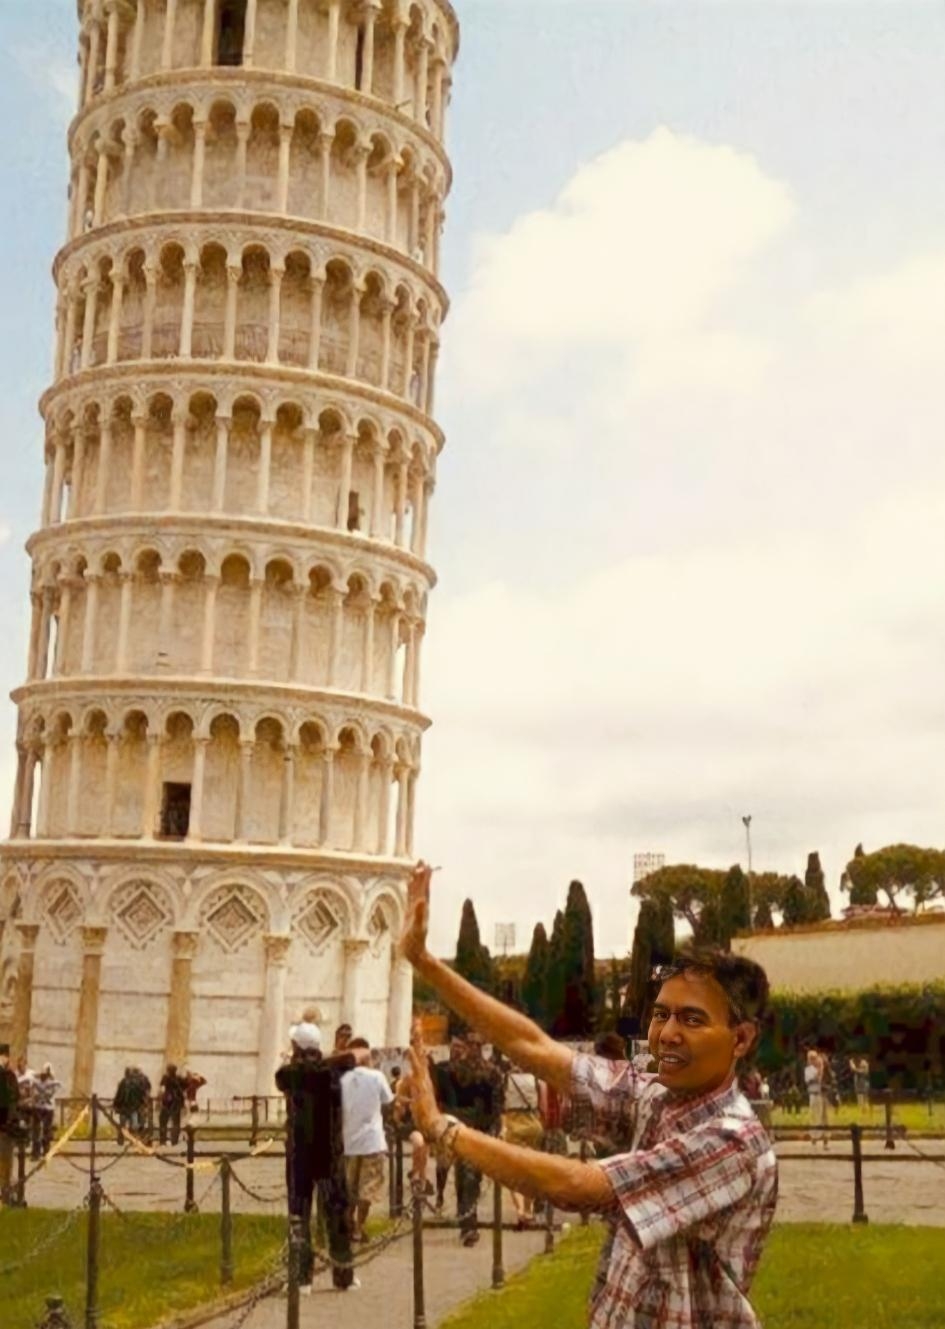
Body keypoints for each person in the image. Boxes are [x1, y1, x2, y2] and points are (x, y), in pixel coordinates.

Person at [401, 862, 777, 1328]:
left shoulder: (732, 1140)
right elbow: (533, 1046)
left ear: (740, 1039)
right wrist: (425, 962)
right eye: (662, 1015)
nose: (667, 1033)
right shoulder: (658, 1094)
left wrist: (444, 1129)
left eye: (692, 1020)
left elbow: (576, 1186)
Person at [276, 1021, 368, 1293]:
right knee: (337, 1216)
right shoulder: (334, 1071)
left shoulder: (291, 1073)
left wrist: (313, 1060)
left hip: (302, 1154)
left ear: (297, 1047)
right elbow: (355, 1057)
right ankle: (344, 1276)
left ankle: (302, 1279)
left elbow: (284, 1075)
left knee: (300, 1216)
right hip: (329, 1153)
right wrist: (324, 1059)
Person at [436, 1028, 504, 1246]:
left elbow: (497, 1106)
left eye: (477, 1045)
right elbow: (446, 1100)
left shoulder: (491, 1072)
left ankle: (467, 1222)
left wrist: (494, 1132)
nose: (474, 1049)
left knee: (470, 1177)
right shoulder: (455, 1071)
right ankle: (467, 1223)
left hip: (479, 1131)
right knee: (465, 1176)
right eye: (471, 1044)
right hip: (460, 1129)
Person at [341, 1037, 394, 1243]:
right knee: (368, 1188)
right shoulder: (377, 1077)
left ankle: (347, 1224)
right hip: (372, 1140)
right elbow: (388, 1101)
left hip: (349, 1141)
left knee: (350, 1187)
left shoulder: (342, 1079)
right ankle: (359, 1227)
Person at [0, 1043, 20, 1205]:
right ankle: (5, 1195)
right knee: (5, 1164)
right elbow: (12, 1099)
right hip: (4, 1128)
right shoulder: (8, 1076)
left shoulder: (9, 1075)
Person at [30, 1063, 61, 1160]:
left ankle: (46, 1152)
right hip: (39, 1107)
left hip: (48, 1108)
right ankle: (36, 1153)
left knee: (46, 1131)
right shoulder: (36, 1081)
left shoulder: (53, 1083)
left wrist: (41, 1094)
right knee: (37, 1131)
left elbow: (51, 1093)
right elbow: (34, 1093)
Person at [114, 1066, 152, 1143]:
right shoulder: (134, 1082)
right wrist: (142, 1102)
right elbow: (140, 1093)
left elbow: (119, 1094)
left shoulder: (124, 1082)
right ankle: (130, 1140)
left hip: (126, 1107)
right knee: (132, 1124)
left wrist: (116, 1105)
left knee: (125, 1124)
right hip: (132, 1107)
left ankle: (123, 1139)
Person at [804, 1050, 828, 1148]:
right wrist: (820, 1069)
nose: (814, 1060)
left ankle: (824, 1137)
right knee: (814, 1116)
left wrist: (822, 1068)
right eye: (812, 1058)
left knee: (823, 1117)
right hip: (813, 1094)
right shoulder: (808, 1070)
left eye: (815, 1058)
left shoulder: (822, 1069)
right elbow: (812, 1080)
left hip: (822, 1094)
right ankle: (814, 1136)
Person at [158, 1064, 187, 1146]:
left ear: (168, 1070)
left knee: (163, 1120)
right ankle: (174, 1141)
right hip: (177, 1102)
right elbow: (185, 1087)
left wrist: (160, 1098)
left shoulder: (165, 1078)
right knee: (176, 1122)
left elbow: (162, 1089)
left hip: (167, 1102)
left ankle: (162, 1140)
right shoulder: (179, 1078)